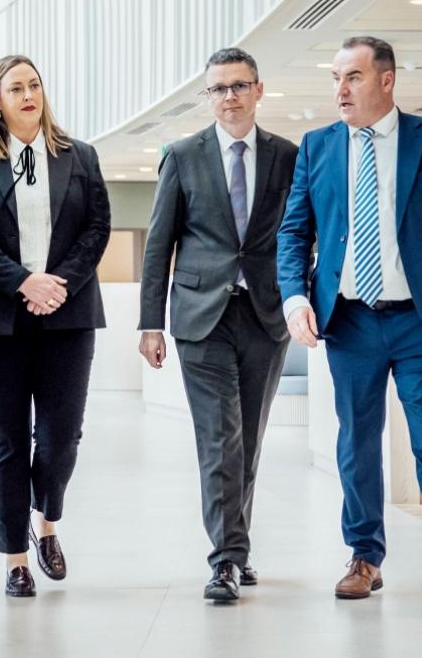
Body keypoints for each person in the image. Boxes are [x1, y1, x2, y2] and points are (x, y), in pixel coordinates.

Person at [276, 36, 422, 610]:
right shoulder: (318, 146)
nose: (341, 89)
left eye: (354, 77)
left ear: (386, 80)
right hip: (350, 322)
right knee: (357, 444)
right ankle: (365, 557)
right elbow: (294, 233)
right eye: (336, 78)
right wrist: (296, 300)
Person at [138, 48, 299, 602]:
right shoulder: (183, 156)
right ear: (207, 97)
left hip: (265, 315)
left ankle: (238, 545)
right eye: (219, 88)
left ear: (259, 90)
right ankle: (226, 559)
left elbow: (302, 237)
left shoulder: (287, 157)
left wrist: (306, 302)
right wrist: (149, 323)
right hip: (199, 318)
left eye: (239, 85)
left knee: (248, 438)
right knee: (218, 438)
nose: (229, 96)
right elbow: (159, 244)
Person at [0, 55, 110, 598]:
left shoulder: (79, 156)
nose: (27, 94)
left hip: (68, 312)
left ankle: (47, 523)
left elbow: (97, 227)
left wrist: (56, 282)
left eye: (34, 84)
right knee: (8, 439)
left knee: (62, 437)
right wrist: (23, 282)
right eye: (15, 87)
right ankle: (15, 558)